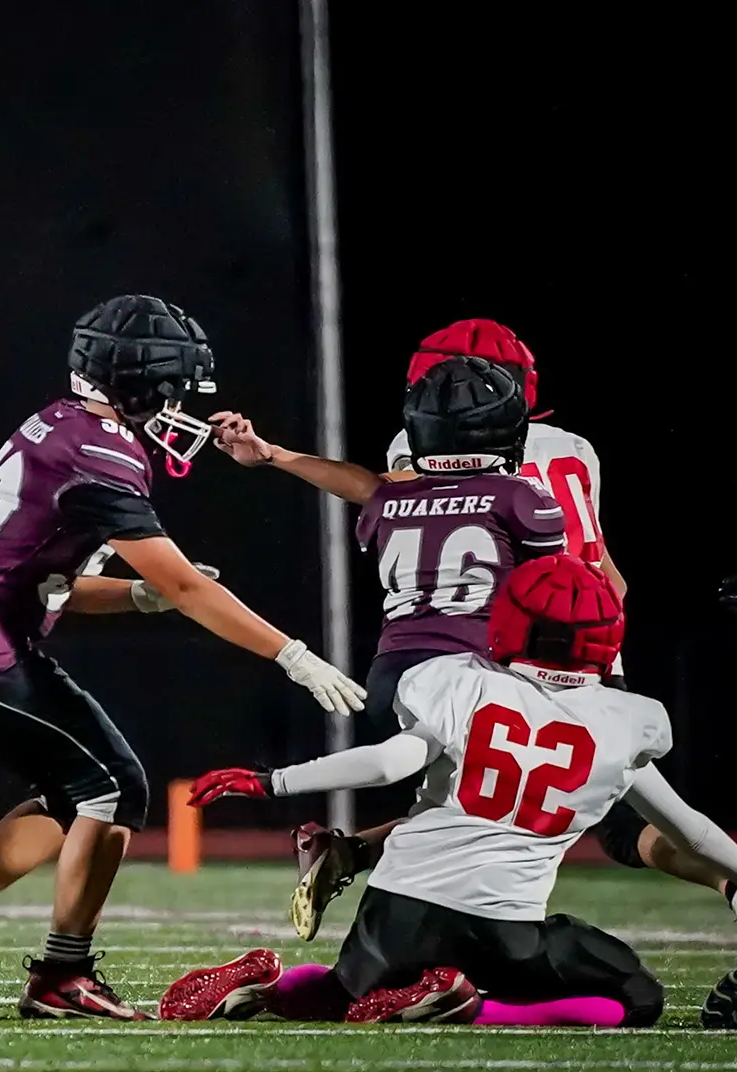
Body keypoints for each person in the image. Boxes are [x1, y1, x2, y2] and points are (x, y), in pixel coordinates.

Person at [0, 295, 364, 1020]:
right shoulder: (100, 449)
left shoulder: (55, 424)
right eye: (172, 386)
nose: (179, 406)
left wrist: (141, 599)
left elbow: (51, 581)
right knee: (111, 788)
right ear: (137, 380)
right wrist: (292, 655)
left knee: (90, 789)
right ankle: (60, 975)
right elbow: (183, 582)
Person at [209, 319, 732, 935]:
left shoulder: (428, 452)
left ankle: (360, 859)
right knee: (560, 804)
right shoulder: (572, 449)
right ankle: (729, 881)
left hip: (511, 652)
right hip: (576, 644)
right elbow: (608, 578)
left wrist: (276, 456)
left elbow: (385, 495)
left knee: (512, 797)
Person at [161, 554, 737, 1027]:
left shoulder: (459, 682)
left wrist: (271, 781)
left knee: (344, 998)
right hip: (502, 929)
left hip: (394, 914)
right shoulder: (625, 722)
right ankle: (471, 1006)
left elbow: (390, 764)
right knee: (634, 999)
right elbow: (694, 831)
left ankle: (273, 987)